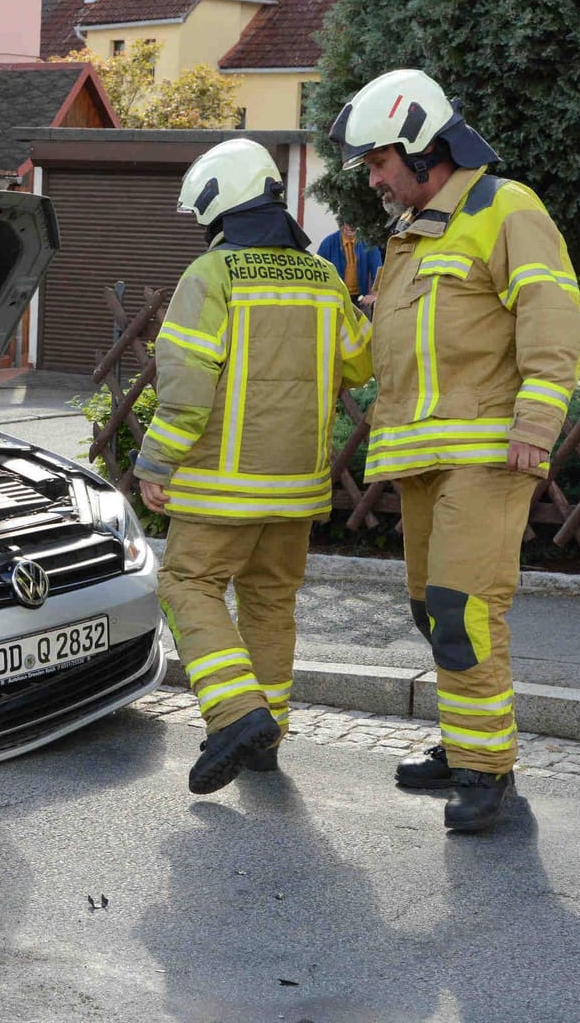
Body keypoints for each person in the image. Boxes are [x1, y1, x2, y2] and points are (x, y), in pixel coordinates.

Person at [328, 68, 580, 833]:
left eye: (378, 162)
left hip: (487, 455)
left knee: (463, 611)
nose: (373, 179)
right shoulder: (408, 236)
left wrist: (536, 426)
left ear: (420, 147)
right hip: (418, 459)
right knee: (429, 611)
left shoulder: (505, 209)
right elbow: (382, 351)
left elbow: (553, 317)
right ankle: (461, 739)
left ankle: (486, 770)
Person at [135, 138, 372, 795]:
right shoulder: (323, 277)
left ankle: (236, 716)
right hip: (297, 486)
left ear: (221, 206)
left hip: (219, 487)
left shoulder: (211, 277)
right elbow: (359, 361)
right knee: (269, 602)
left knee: (188, 587)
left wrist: (155, 463)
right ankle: (267, 736)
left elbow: (185, 389)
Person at [316, 222, 383, 307]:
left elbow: (378, 271)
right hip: (336, 298)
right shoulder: (328, 243)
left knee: (366, 317)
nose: (351, 225)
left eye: (354, 221)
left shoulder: (368, 242)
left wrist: (374, 295)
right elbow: (318, 270)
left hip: (361, 299)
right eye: (347, 222)